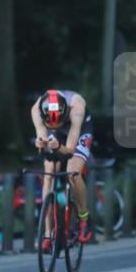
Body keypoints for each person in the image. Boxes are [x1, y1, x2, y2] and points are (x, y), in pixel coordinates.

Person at [31, 89, 94, 249]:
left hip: (78, 131)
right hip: (56, 133)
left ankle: (84, 219)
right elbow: (41, 137)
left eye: (58, 122)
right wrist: (41, 144)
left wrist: (59, 147)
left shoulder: (77, 108)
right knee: (49, 173)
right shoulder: (36, 110)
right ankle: (46, 233)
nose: (56, 126)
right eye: (51, 123)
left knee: (73, 173)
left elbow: (70, 150)